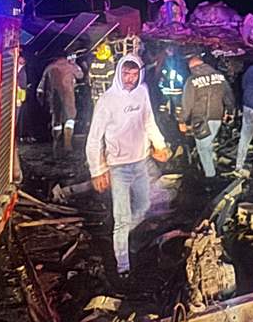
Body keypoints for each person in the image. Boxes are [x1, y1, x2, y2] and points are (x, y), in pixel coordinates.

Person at [86, 54, 171, 278]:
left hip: (141, 163)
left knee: (143, 206)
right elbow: (94, 138)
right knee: (122, 218)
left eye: (134, 74)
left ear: (139, 74)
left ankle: (121, 235)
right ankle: (123, 265)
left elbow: (149, 121)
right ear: (119, 73)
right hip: (118, 167)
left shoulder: (143, 92)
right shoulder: (107, 100)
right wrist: (97, 170)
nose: (129, 79)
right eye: (126, 73)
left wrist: (160, 145)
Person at [180, 52, 235, 179]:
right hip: (217, 116)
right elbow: (229, 96)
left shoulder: (192, 80)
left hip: (201, 120)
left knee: (203, 149)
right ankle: (212, 168)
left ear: (192, 67)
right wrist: (230, 112)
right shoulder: (219, 76)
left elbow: (187, 103)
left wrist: (182, 120)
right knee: (208, 144)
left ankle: (210, 177)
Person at [38, 54, 84, 151]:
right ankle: (67, 144)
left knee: (57, 120)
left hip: (54, 98)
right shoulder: (70, 66)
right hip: (68, 98)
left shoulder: (50, 67)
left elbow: (42, 84)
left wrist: (42, 98)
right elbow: (80, 75)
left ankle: (56, 144)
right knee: (70, 119)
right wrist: (75, 64)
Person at [87, 43, 116, 107]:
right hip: (104, 90)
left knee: (97, 106)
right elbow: (111, 80)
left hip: (95, 89)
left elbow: (90, 76)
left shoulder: (93, 62)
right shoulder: (108, 64)